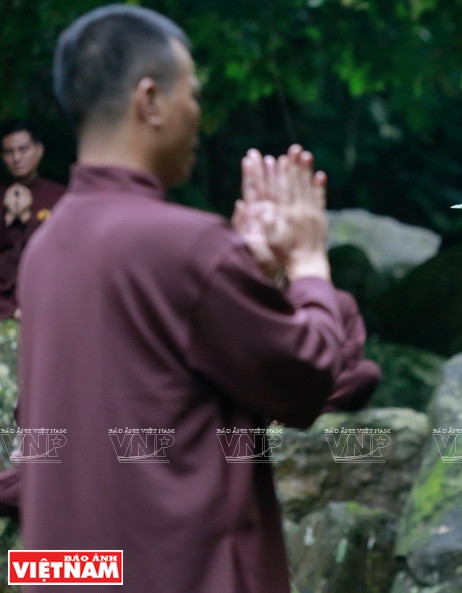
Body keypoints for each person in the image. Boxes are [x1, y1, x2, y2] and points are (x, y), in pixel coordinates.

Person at [13, 5, 349, 592]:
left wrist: (243, 273)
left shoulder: (46, 247)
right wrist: (308, 264)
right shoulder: (184, 246)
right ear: (151, 101)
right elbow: (307, 380)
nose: (200, 115)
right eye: (193, 95)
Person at [0, 121, 66, 319]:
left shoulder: (59, 197)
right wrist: (8, 219)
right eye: (9, 152)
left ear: (39, 150)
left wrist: (27, 220)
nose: (16, 158)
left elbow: (64, 251)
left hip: (45, 300)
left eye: (23, 150)